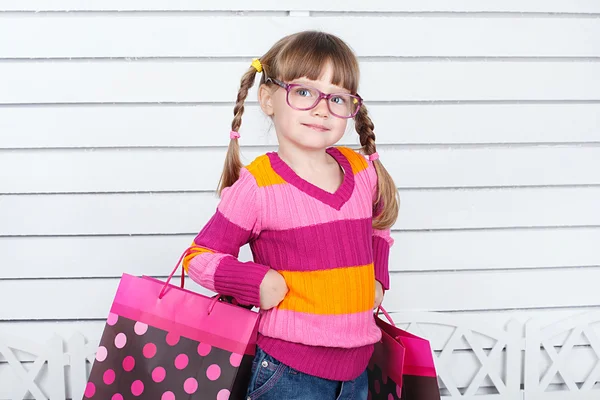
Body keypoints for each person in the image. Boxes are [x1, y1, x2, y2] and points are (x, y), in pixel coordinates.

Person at [182, 30, 400, 399]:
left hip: (358, 369)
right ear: (267, 99)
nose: (321, 109)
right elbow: (199, 258)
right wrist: (255, 281)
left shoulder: (362, 171)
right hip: (287, 374)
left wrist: (377, 279)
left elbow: (378, 227)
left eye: (337, 98)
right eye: (303, 92)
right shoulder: (258, 186)